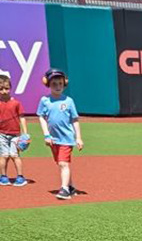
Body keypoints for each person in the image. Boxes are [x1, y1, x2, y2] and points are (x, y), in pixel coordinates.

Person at [36, 68, 83, 200]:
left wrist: (78, 138)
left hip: (67, 139)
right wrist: (46, 135)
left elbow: (75, 120)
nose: (57, 86)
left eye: (60, 84)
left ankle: (64, 189)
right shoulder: (45, 100)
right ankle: (71, 186)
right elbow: (41, 117)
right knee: (62, 163)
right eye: (54, 84)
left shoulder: (68, 101)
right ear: (48, 84)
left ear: (64, 84)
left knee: (63, 164)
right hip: (53, 139)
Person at [0, 74, 29, 187]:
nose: (4, 91)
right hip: (1, 134)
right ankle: (3, 177)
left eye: (6, 88)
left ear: (10, 88)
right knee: (4, 156)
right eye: (1, 89)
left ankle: (20, 177)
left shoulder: (16, 103)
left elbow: (22, 117)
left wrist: (25, 133)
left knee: (15, 155)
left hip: (15, 134)